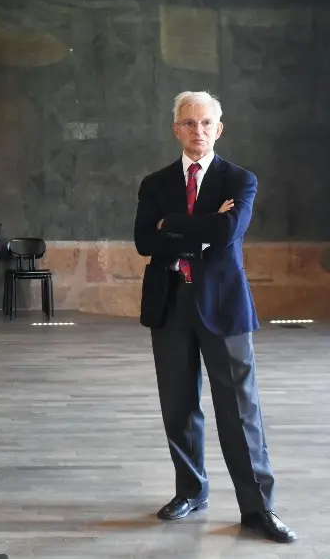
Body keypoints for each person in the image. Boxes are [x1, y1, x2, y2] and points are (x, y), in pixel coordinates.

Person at [133, 91, 296, 543]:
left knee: (240, 411)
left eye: (206, 123)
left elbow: (228, 234)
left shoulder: (240, 180)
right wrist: (197, 228)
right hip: (169, 305)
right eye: (188, 123)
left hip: (222, 305)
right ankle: (191, 490)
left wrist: (174, 225)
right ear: (175, 129)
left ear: (218, 129)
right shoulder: (155, 183)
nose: (197, 131)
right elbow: (145, 241)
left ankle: (259, 508)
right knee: (178, 407)